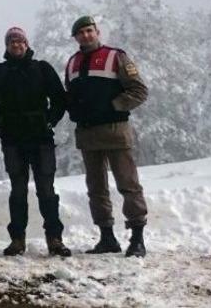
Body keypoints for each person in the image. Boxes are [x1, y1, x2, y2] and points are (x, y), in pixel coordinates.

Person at [0, 27, 71, 257]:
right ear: (6, 46)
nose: (16, 45)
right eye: (12, 41)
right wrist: (2, 125)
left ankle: (55, 238)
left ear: (27, 43)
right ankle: (17, 239)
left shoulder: (42, 68)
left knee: (47, 191)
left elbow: (59, 98)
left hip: (41, 139)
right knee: (18, 191)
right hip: (13, 141)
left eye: (20, 41)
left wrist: (49, 121)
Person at [65, 16, 149, 257]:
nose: (85, 35)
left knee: (128, 184)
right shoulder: (72, 63)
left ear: (97, 32)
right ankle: (107, 238)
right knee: (96, 188)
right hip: (87, 134)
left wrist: (113, 106)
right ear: (75, 37)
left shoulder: (116, 57)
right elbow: (70, 94)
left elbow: (139, 90)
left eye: (89, 31)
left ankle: (137, 239)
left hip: (115, 131)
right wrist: (72, 108)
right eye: (80, 33)